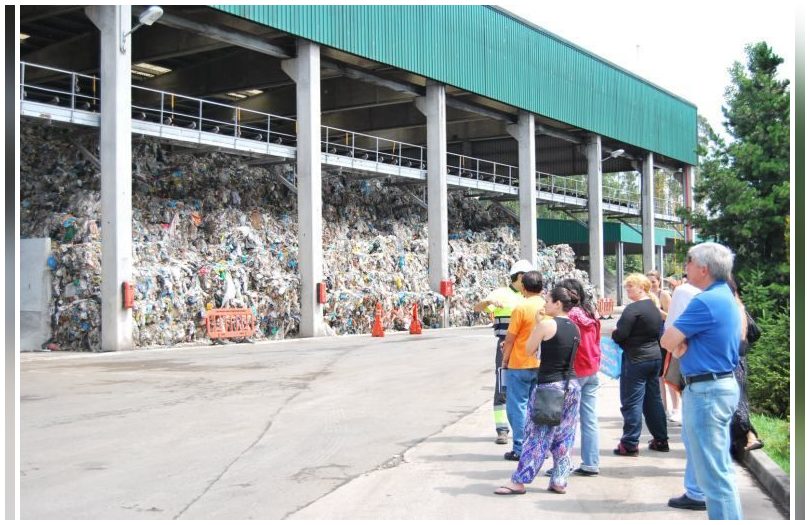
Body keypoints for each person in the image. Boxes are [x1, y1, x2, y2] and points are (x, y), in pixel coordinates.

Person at [661, 242, 743, 520]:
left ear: (704, 269)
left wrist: (679, 344)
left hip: (707, 391)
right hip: (718, 386)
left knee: (714, 476)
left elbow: (668, 339)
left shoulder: (705, 301)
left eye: (689, 261)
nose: (685, 266)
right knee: (716, 471)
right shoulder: (724, 296)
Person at [494, 285, 582, 495]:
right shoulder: (574, 327)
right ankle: (559, 479)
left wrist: (538, 323)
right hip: (571, 386)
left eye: (548, 301)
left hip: (549, 387)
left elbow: (528, 350)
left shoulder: (547, 325)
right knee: (565, 435)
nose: (544, 305)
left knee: (536, 435)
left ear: (558, 304)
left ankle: (520, 480)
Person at [474, 259, 533, 445]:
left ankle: (526, 429)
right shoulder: (501, 293)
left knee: (529, 389)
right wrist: (488, 302)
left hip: (527, 346)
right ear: (521, 276)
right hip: (505, 346)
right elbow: (479, 308)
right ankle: (502, 429)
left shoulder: (530, 296)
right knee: (503, 386)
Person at [611, 273, 669, 456]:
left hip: (636, 359)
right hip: (654, 357)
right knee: (653, 400)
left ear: (642, 288)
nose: (627, 289)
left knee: (632, 401)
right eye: (627, 286)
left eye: (630, 286)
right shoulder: (653, 306)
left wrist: (614, 334)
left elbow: (621, 334)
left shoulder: (633, 309)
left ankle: (629, 443)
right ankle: (661, 439)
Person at [558, 278, 602, 476]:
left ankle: (562, 464)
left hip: (575, 371)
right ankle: (591, 463)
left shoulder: (570, 317)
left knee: (566, 421)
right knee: (589, 419)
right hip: (591, 369)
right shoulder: (589, 312)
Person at [499, 270, 544, 461]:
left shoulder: (521, 308)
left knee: (517, 406)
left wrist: (504, 360)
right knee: (537, 407)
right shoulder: (548, 306)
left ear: (524, 287)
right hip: (542, 364)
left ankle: (520, 447)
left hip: (520, 364)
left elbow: (510, 339)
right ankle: (538, 445)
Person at [727, 277, 763, 458]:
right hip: (736, 357)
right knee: (737, 399)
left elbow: (741, 339)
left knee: (738, 401)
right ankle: (740, 440)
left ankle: (751, 436)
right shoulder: (735, 304)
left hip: (735, 358)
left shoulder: (734, 306)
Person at [648, 270, 679, 423]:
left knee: (667, 374)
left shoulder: (663, 295)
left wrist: (656, 310)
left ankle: (675, 408)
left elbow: (670, 316)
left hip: (664, 338)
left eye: (653, 281)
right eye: (648, 282)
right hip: (651, 339)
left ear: (659, 281)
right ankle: (662, 408)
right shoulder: (646, 295)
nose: (651, 284)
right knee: (658, 376)